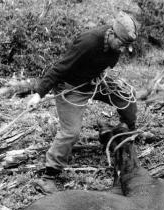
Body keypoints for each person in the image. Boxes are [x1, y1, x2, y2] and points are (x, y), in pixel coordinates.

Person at [26, 12, 139, 192]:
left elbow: (105, 63)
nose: (123, 49)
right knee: (71, 132)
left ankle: (126, 133)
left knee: (127, 97)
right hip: (71, 88)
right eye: (122, 44)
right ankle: (49, 176)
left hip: (94, 81)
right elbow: (59, 67)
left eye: (127, 46)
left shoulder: (116, 44)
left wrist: (101, 77)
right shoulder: (88, 42)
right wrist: (39, 94)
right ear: (112, 34)